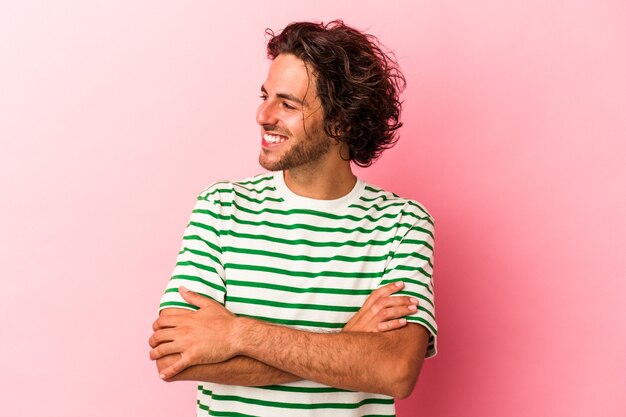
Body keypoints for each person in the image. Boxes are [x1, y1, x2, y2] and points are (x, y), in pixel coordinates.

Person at [149, 20, 437, 417]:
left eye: (288, 104)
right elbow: (177, 358)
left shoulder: (402, 223)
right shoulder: (220, 207)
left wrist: (236, 333)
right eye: (265, 96)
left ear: (342, 123)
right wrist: (349, 344)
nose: (263, 116)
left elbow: (395, 369)